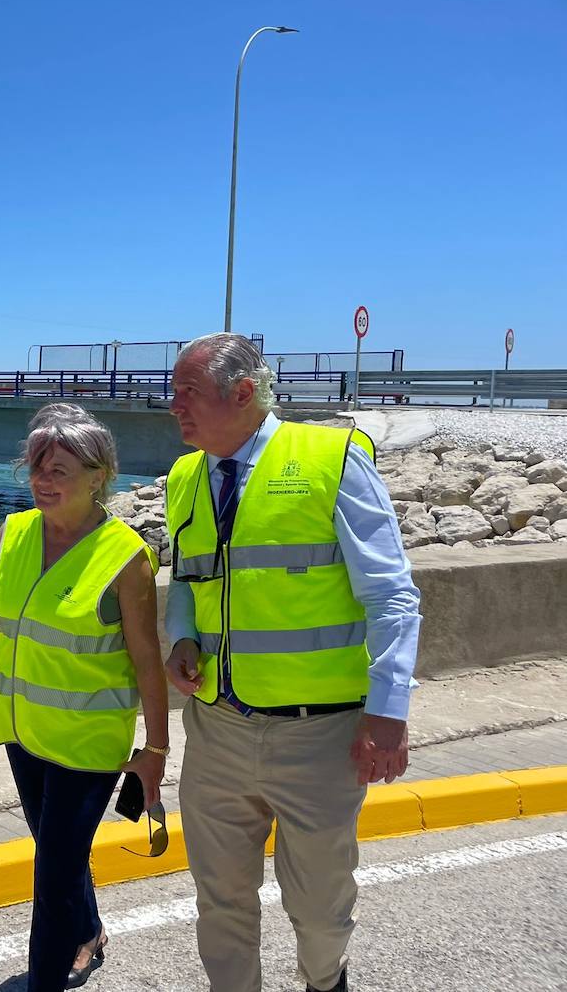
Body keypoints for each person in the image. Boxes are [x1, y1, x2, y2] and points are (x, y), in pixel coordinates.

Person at [163, 333, 421, 992]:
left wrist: (388, 712)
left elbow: (391, 593)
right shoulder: (185, 477)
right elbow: (189, 584)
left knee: (318, 904)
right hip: (217, 729)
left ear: (243, 393)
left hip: (318, 736)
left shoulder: (330, 459)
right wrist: (182, 638)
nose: (173, 407)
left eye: (187, 393)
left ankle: (324, 978)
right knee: (220, 899)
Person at [0, 402, 169, 992]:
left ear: (99, 477)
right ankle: (89, 929)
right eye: (36, 466)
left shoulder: (124, 557)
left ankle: (48, 977)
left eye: (59, 469)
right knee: (58, 852)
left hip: (88, 746)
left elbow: (148, 662)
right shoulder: (11, 535)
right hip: (23, 734)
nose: (43, 479)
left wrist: (155, 751)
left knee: (52, 869)